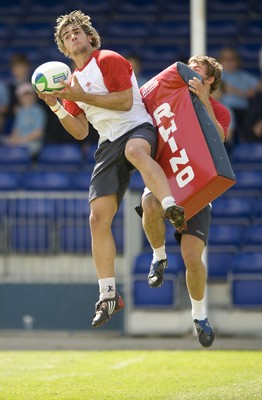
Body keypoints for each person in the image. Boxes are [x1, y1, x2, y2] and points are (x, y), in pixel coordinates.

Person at [36, 10, 186, 328]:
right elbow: (79, 130)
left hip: (136, 128)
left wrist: (79, 95)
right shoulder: (72, 82)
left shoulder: (108, 59)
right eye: (66, 36)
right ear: (63, 48)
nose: (73, 37)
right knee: (97, 218)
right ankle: (108, 295)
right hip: (108, 143)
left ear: (90, 37)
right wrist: (55, 104)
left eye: (77, 32)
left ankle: (171, 206)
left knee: (134, 151)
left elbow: (124, 103)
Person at [138, 55, 231, 348]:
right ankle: (159, 256)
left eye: (198, 67)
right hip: (166, 178)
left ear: (210, 79)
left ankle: (199, 316)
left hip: (197, 185)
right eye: (189, 64)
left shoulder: (218, 109)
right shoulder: (169, 95)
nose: (190, 69)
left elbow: (219, 138)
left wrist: (203, 101)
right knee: (151, 204)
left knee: (193, 258)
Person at [218, 47, 260, 145]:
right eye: (225, 59)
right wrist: (245, 93)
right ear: (220, 61)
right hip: (222, 110)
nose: (229, 62)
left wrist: (254, 91)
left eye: (232, 59)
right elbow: (222, 88)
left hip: (244, 111)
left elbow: (259, 86)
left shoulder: (244, 76)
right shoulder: (217, 75)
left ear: (237, 61)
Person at [3, 82, 46, 159]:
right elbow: (16, 129)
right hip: (19, 142)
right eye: (24, 96)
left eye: (29, 95)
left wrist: (22, 140)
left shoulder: (38, 111)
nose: (27, 98)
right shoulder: (20, 111)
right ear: (19, 98)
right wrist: (14, 139)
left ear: (34, 96)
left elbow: (39, 133)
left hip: (32, 143)